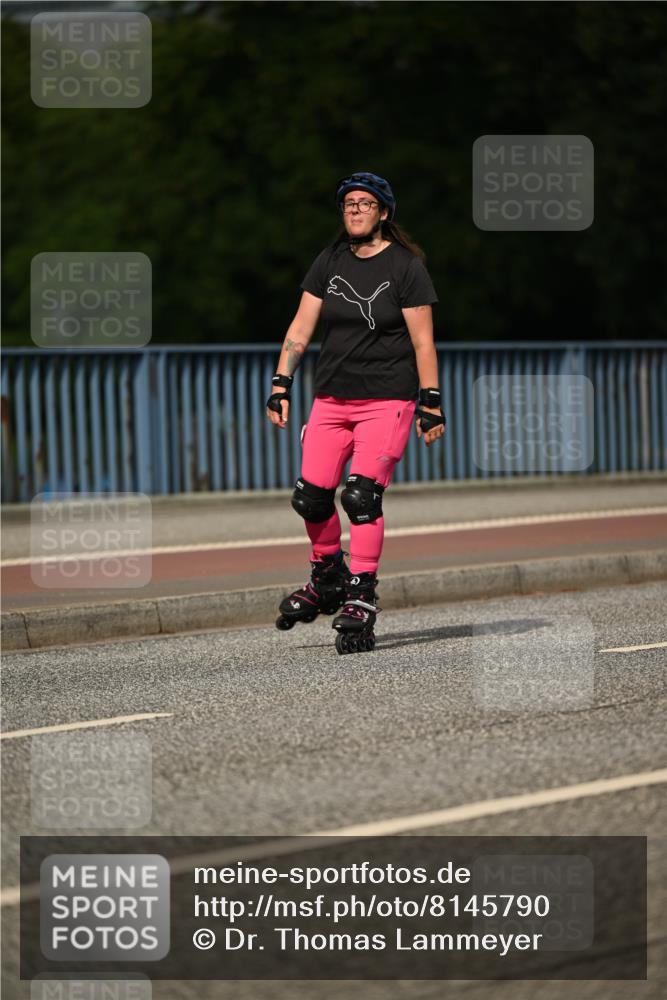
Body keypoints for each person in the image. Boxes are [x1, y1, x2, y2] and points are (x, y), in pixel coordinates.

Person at [266, 171, 445, 654]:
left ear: (384, 213)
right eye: (348, 204)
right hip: (331, 398)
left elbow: (422, 341)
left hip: (387, 400)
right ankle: (327, 578)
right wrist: (281, 383)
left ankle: (361, 592)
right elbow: (300, 328)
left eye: (365, 204)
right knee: (311, 498)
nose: (355, 211)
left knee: (361, 497)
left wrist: (430, 402)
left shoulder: (406, 268)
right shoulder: (330, 260)